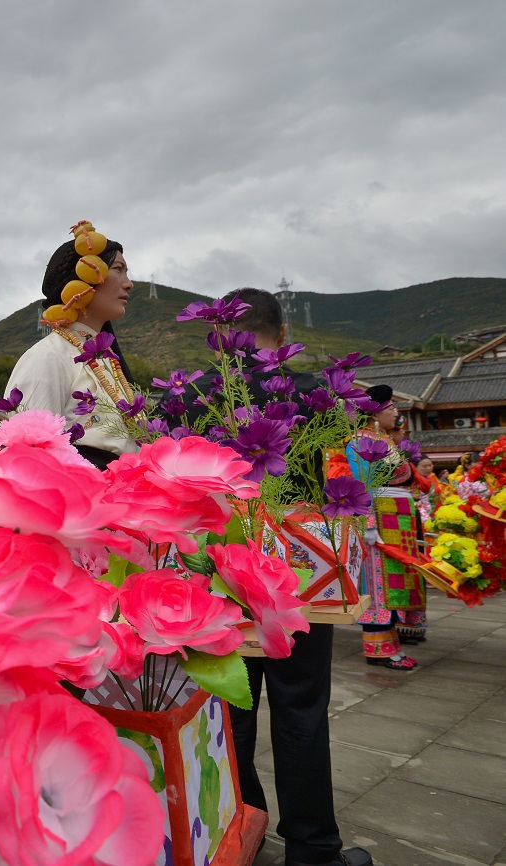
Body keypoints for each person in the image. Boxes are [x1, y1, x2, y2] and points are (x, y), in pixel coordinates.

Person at [173, 288, 371, 866]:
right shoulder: (316, 394)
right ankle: (313, 848)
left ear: (223, 338)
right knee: (301, 708)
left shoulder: (195, 400)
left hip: (220, 570)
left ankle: (242, 827)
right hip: (300, 575)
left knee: (230, 706)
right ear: (282, 336)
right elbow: (346, 486)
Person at [7, 221, 139, 469]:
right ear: (84, 277)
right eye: (118, 269)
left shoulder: (107, 359)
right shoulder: (48, 357)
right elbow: (28, 460)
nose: (128, 283)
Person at [348, 384, 425, 666]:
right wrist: (368, 523)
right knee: (379, 583)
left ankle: (391, 644)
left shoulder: (380, 438)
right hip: (380, 518)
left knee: (394, 584)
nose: (395, 411)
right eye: (390, 407)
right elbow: (361, 483)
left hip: (395, 519)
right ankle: (378, 649)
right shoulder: (360, 440)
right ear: (374, 413)